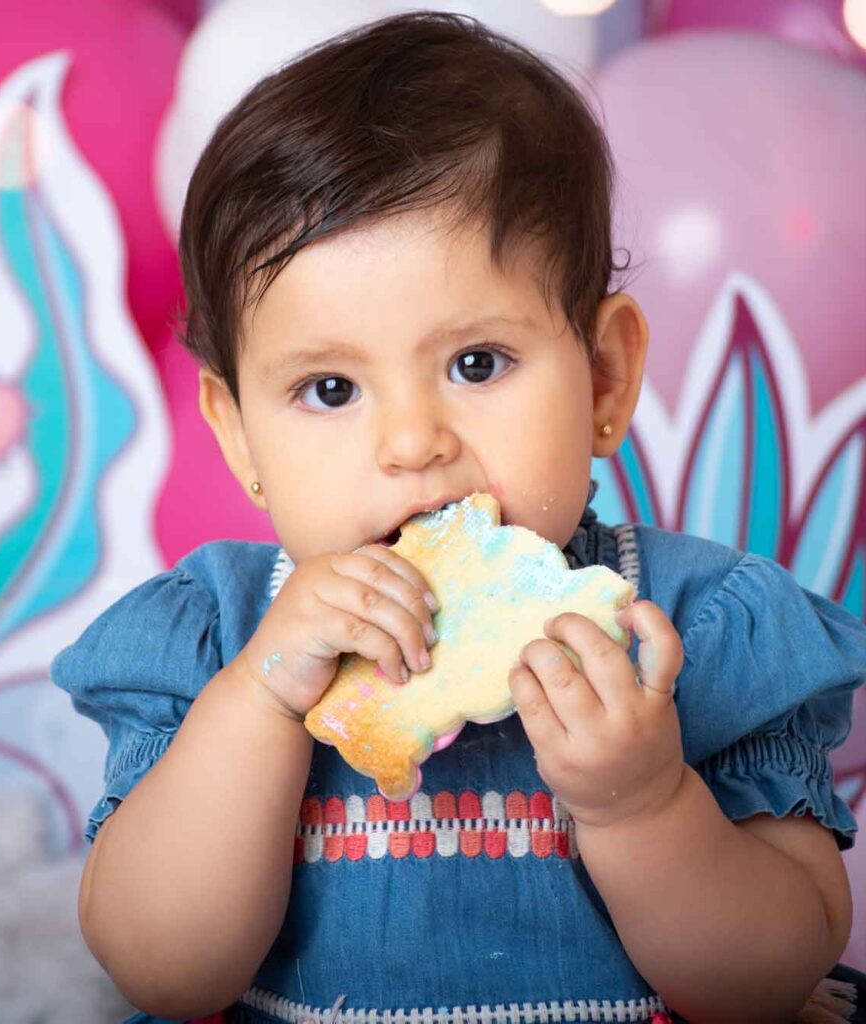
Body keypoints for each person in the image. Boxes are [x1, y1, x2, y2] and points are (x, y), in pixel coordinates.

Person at [50, 12, 866, 1024]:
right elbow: (163, 970)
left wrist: (641, 804)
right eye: (330, 389)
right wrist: (261, 700)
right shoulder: (214, 635)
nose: (410, 441)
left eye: (476, 364)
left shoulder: (696, 627)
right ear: (239, 435)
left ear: (603, 376)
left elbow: (767, 977)